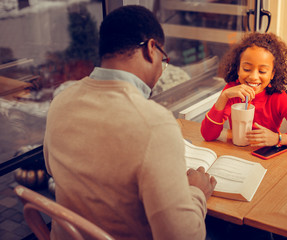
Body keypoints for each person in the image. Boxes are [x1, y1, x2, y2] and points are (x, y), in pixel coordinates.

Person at [43, 5, 216, 240]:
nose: (161, 70)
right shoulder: (155, 123)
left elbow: (53, 169)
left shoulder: (61, 101)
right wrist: (196, 191)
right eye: (163, 60)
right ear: (151, 49)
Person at [201, 32, 287, 147]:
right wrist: (224, 96)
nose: (253, 77)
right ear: (238, 69)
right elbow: (208, 135)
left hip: (264, 156)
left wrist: (278, 138)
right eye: (247, 69)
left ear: (272, 74)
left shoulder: (278, 98)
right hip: (236, 152)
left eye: (262, 71)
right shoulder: (233, 90)